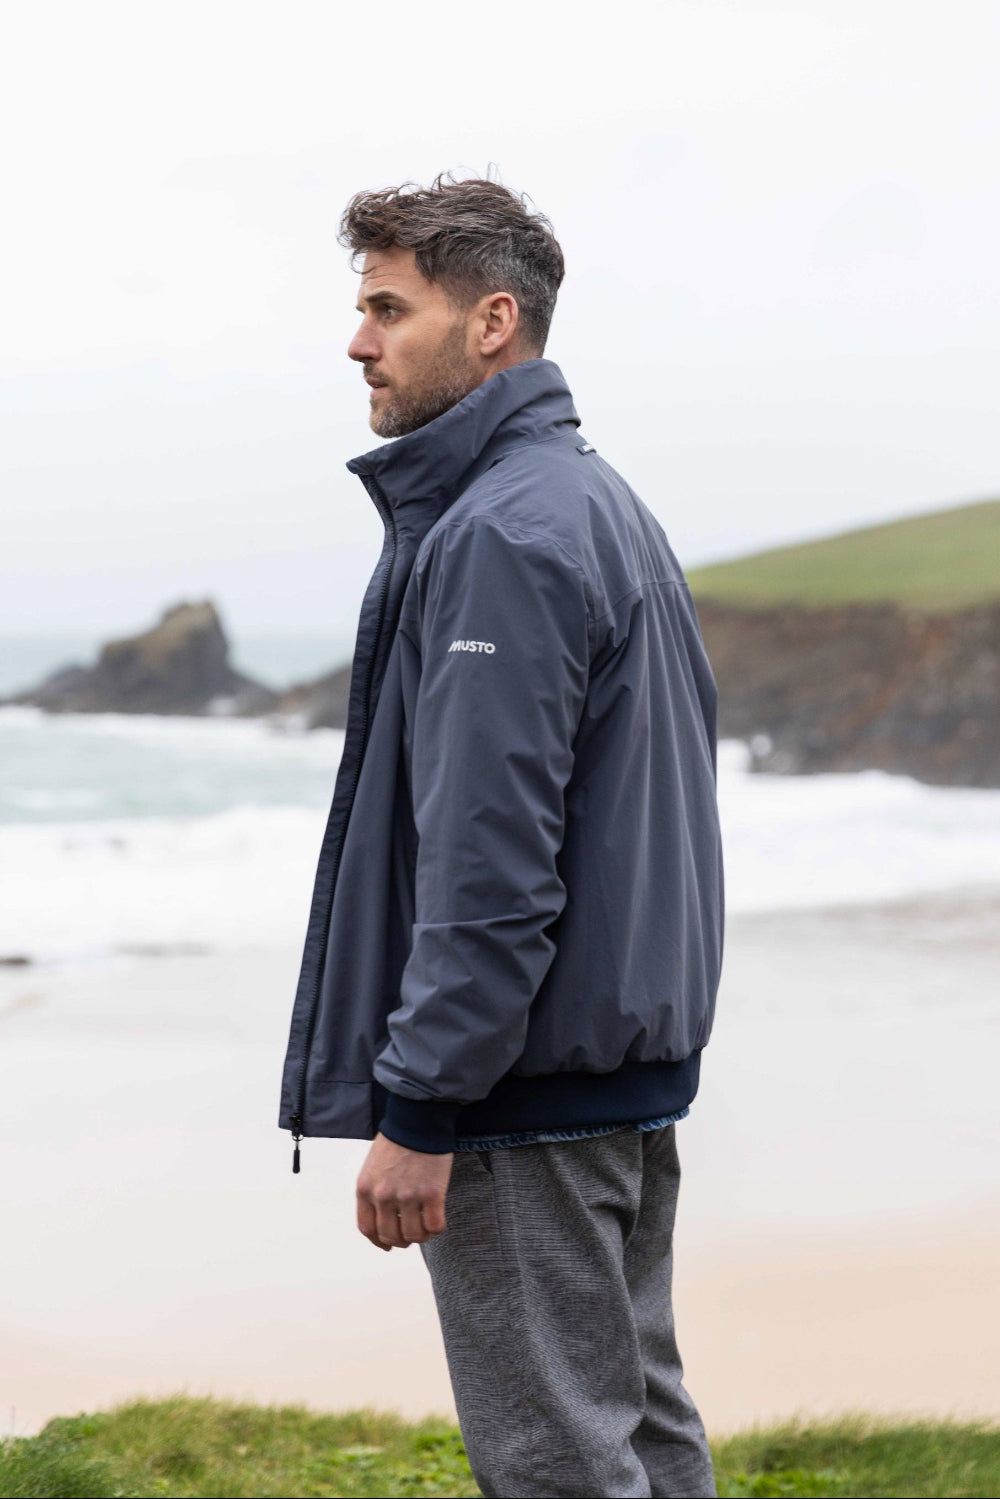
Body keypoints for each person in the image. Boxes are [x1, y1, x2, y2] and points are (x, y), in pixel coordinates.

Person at [279, 171, 724, 1499]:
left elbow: (492, 860)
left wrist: (422, 1104)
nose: (359, 341)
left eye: (387, 308)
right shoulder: (591, 501)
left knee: (560, 1463)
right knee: (637, 1428)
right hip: (615, 1069)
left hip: (522, 1094)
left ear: (491, 322)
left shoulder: (505, 534)